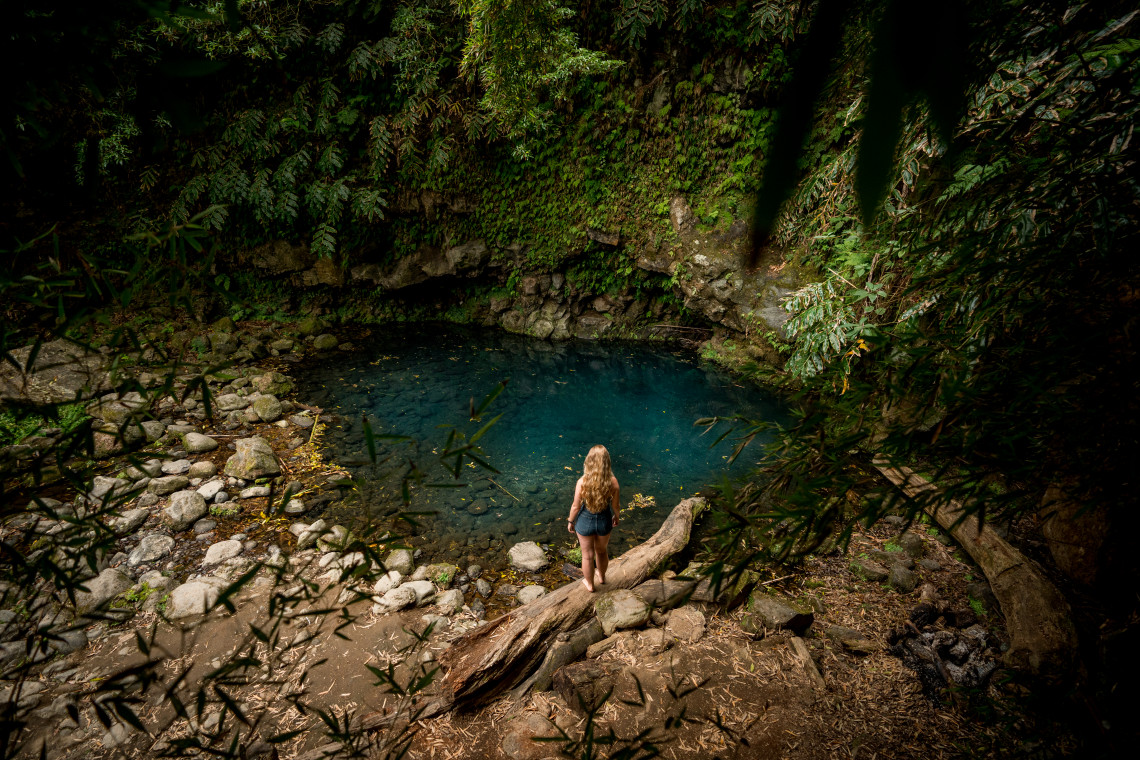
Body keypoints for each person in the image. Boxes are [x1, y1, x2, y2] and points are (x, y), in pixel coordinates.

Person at [567, 444, 620, 592]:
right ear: (606, 462)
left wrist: (571, 521)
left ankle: (590, 585)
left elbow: (575, 506)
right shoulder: (613, 481)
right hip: (604, 521)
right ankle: (602, 577)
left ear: (589, 461)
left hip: (585, 521)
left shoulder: (582, 482)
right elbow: (616, 505)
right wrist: (616, 517)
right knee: (602, 551)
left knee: (587, 556)